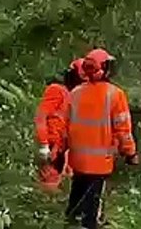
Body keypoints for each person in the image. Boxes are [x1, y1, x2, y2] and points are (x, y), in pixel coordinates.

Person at [63, 48, 139, 228]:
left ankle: (70, 220)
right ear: (104, 68)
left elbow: (65, 125)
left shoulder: (75, 93)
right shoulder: (115, 94)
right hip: (99, 161)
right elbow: (123, 130)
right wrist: (130, 153)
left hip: (77, 158)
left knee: (77, 194)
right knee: (92, 205)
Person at [35, 58, 84, 193]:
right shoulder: (56, 90)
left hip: (61, 148)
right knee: (48, 185)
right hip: (51, 146)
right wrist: (43, 144)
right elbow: (41, 116)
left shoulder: (75, 97)